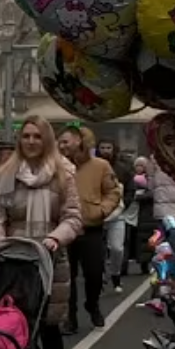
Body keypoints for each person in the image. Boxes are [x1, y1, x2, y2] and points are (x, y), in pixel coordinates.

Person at [0, 116, 82, 349]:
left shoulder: (63, 174)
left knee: (49, 326)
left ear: (47, 140)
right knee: (14, 325)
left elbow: (73, 217)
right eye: (26, 136)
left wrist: (55, 238)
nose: (30, 141)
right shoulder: (6, 173)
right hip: (14, 259)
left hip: (49, 257)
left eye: (36, 136)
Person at [57, 124, 120, 332]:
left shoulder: (101, 166)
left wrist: (101, 211)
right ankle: (70, 316)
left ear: (81, 143)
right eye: (61, 142)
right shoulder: (58, 166)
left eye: (67, 142)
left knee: (94, 273)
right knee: (68, 277)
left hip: (91, 228)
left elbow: (112, 192)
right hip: (64, 229)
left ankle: (92, 304)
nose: (63, 146)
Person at [96, 139, 133, 294]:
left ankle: (115, 274)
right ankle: (100, 276)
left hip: (117, 214)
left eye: (108, 147)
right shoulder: (92, 167)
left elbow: (131, 188)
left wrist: (124, 204)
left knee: (117, 248)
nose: (105, 150)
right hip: (96, 215)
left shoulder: (122, 169)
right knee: (98, 249)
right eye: (102, 147)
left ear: (114, 149)